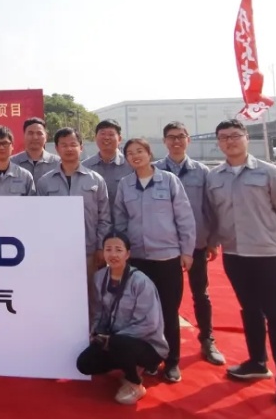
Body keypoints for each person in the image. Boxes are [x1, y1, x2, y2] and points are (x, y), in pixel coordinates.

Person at [206, 119, 276, 409]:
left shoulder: (268, 172)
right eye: (224, 137)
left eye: (235, 135)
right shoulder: (215, 177)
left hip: (266, 253)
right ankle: (257, 361)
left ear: (246, 137)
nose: (230, 141)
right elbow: (213, 214)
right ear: (218, 143)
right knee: (249, 309)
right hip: (234, 253)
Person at [113, 137, 196, 384]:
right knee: (142, 312)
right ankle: (149, 359)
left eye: (139, 151)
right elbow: (120, 220)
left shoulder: (169, 181)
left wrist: (187, 251)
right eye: (130, 153)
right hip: (138, 259)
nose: (135, 156)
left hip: (167, 257)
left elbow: (184, 217)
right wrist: (122, 253)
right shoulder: (125, 185)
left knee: (168, 311)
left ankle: (172, 362)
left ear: (149, 154)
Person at [155, 121, 225, 366]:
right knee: (163, 297)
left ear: (188, 140)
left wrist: (212, 241)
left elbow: (211, 208)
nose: (176, 141)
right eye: (171, 137)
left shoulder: (202, 172)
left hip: (195, 243)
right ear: (164, 141)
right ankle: (160, 342)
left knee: (200, 293)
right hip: (163, 246)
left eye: (181, 136)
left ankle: (207, 339)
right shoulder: (154, 170)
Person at [76, 232, 168, 406]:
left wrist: (113, 339)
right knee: (84, 364)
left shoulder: (141, 282)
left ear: (127, 254)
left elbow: (149, 324)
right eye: (108, 249)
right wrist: (95, 334)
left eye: (118, 250)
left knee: (120, 343)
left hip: (146, 344)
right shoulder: (99, 278)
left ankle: (135, 383)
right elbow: (97, 312)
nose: (113, 254)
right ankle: (126, 365)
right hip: (112, 340)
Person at [35, 127, 111, 321]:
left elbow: (104, 217)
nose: (69, 149)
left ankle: (93, 332)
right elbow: (39, 219)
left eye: (73, 144)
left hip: (88, 251)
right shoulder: (45, 182)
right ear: (56, 149)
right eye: (64, 145)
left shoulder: (96, 180)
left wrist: (100, 247)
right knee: (59, 294)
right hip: (56, 252)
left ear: (81, 147)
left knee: (92, 295)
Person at [83, 119, 134, 215]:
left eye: (111, 134)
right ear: (95, 138)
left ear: (119, 139)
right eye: (102, 134)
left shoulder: (131, 166)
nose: (106, 137)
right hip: (95, 222)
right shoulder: (85, 167)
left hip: (124, 221)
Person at [11, 117, 60, 184]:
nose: (35, 137)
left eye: (39, 133)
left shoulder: (58, 163)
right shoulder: (12, 163)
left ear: (46, 137)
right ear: (24, 136)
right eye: (30, 133)